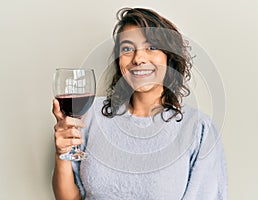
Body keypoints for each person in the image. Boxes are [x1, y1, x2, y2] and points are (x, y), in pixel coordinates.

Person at [52, 7, 228, 200]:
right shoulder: (90, 115)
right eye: (127, 49)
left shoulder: (198, 129)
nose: (138, 59)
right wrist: (62, 153)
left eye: (151, 47)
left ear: (169, 57)